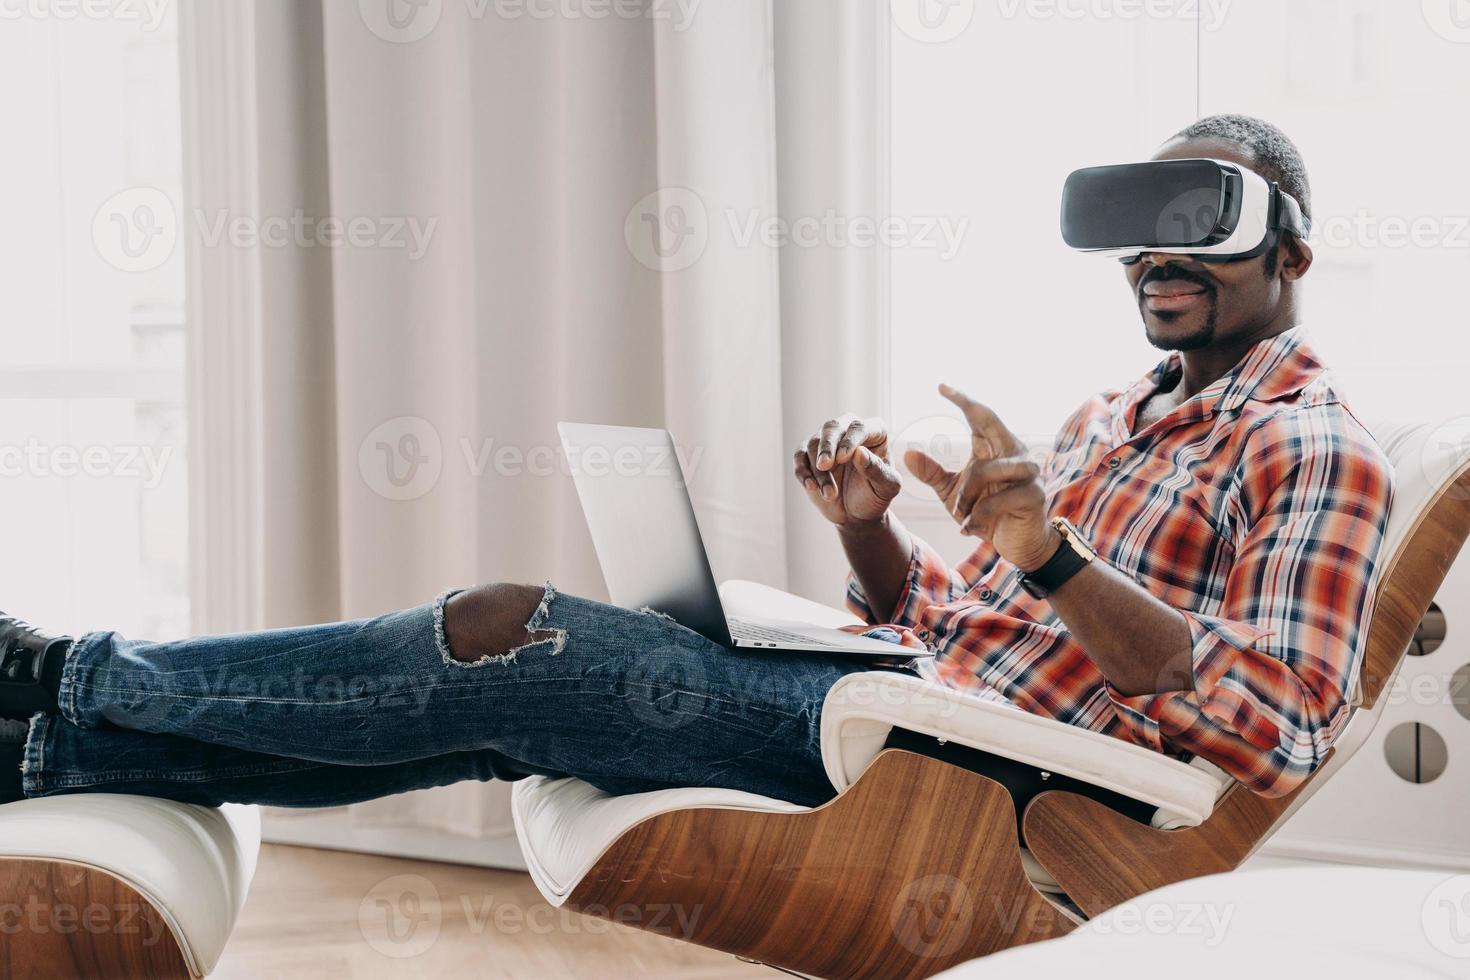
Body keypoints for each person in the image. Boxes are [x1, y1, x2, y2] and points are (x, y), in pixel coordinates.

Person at [0, 115, 1390, 810]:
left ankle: (64, 674)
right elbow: (946, 620)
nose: (1156, 255)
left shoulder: (1308, 448)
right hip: (909, 697)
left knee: (511, 638)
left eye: (1198, 221)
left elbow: (1268, 738)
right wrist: (868, 538)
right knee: (503, 706)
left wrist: (1048, 555)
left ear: (1289, 255)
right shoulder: (1112, 416)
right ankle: (50, 758)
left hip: (980, 784)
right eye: (1141, 224)